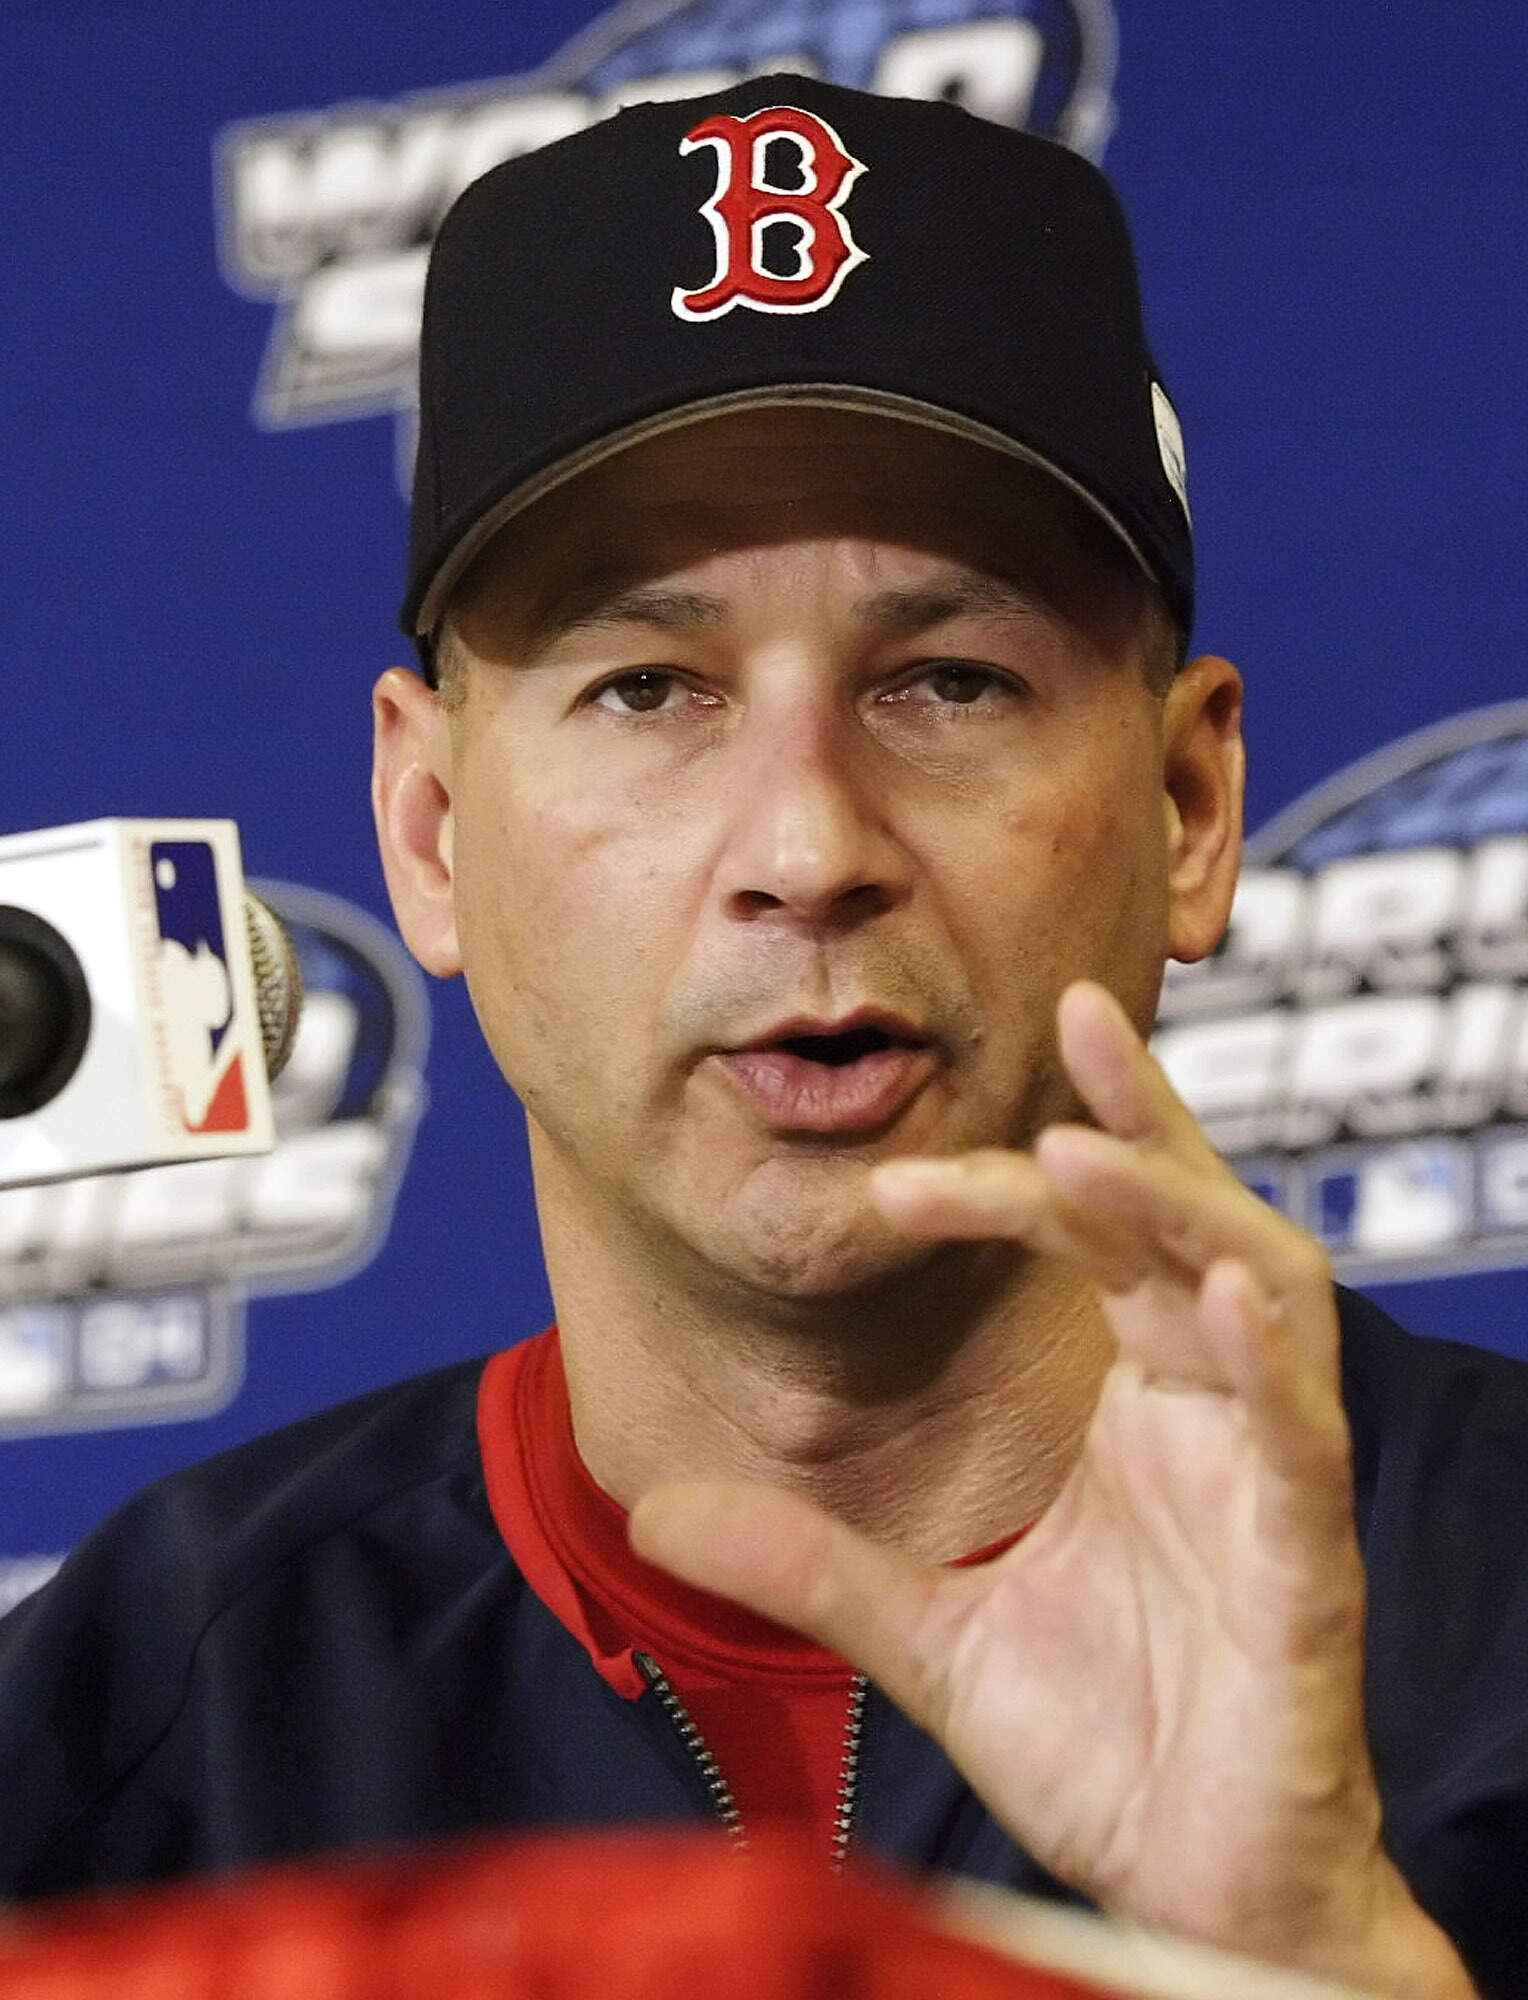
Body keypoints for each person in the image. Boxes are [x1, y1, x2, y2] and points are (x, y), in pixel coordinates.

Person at [2, 72, 1525, 1998]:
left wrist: (1315, 1964)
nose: (808, 847)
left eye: (949, 681)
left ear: (1188, 809)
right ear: (433, 834)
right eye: (650, 687)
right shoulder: (128, 1730)